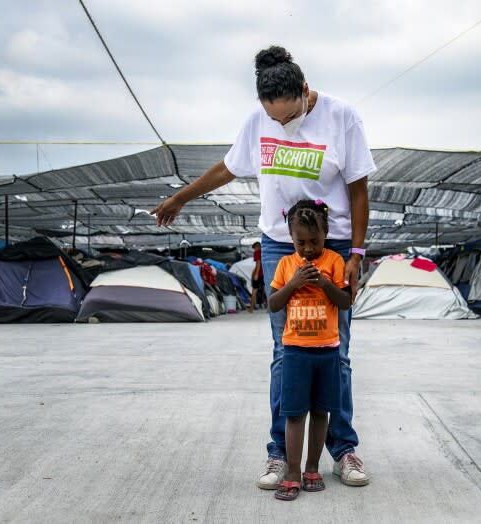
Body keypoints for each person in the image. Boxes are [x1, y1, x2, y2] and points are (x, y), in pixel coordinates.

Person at [150, 45, 373, 488]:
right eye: (273, 118)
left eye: (288, 117)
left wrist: (356, 255)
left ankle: (343, 450)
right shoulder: (259, 120)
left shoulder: (341, 116)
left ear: (305, 93)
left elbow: (360, 189)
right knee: (285, 352)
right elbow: (227, 169)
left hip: (333, 240)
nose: (280, 125)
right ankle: (279, 454)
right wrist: (181, 197)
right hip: (277, 242)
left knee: (336, 351)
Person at [267, 200, 351, 501]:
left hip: (327, 350)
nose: (308, 248)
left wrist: (325, 284)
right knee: (293, 414)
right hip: (295, 352)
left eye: (314, 241)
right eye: (300, 242)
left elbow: (345, 302)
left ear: (326, 234)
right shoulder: (287, 265)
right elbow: (273, 304)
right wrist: (294, 283)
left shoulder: (333, 262)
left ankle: (313, 468)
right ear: (291, 238)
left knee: (320, 412)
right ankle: (292, 471)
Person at [248, 241, 265, 312]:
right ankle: (270, 308)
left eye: (254, 248)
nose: (254, 250)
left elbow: (258, 263)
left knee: (254, 290)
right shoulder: (264, 252)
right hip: (265, 273)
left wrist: (256, 274)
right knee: (267, 290)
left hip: (259, 274)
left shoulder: (257, 252)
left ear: (257, 246)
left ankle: (251, 308)